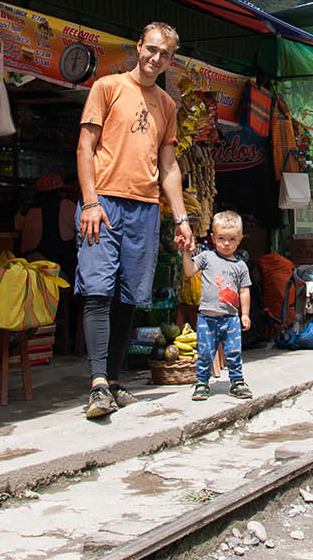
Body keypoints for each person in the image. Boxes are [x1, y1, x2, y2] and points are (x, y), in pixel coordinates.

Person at [76, 22, 194, 419]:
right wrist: (90, 203)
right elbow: (85, 146)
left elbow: (169, 166)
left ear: (170, 60)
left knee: (129, 297)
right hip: (104, 205)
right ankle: (96, 385)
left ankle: (112, 380)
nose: (155, 58)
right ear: (138, 47)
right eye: (152, 49)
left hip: (144, 208)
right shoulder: (107, 88)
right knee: (98, 291)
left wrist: (181, 218)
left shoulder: (167, 104)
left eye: (165, 54)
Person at [181, 210, 253, 401]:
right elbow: (189, 272)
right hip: (207, 316)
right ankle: (202, 383)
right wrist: (185, 254)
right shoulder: (206, 257)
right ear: (213, 238)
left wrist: (244, 314)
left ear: (240, 239)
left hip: (230, 318)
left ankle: (237, 381)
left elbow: (244, 291)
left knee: (234, 351)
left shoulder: (240, 266)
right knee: (205, 351)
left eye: (231, 239)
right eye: (221, 238)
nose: (226, 243)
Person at [20, 173, 79, 355]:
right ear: (60, 191)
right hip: (57, 278)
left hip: (29, 276)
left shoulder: (30, 211)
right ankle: (72, 339)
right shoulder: (68, 206)